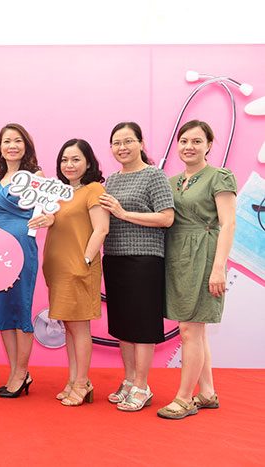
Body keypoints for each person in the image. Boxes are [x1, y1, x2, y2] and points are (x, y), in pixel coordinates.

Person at [158, 120, 237, 420]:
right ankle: (206, 392)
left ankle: (184, 399)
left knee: (191, 329)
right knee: (195, 329)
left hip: (204, 255)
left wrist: (218, 269)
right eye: (184, 141)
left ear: (209, 145)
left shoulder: (219, 177)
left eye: (196, 141)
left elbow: (228, 224)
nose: (189, 146)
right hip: (178, 257)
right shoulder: (172, 182)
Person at [99, 122, 174, 412]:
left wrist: (123, 213)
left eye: (128, 141)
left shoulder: (154, 175)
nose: (122, 147)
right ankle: (129, 380)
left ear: (141, 143)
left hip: (145, 259)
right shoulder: (111, 181)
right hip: (114, 258)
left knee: (142, 325)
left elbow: (166, 218)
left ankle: (142, 385)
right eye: (116, 143)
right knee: (123, 325)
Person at [39, 139, 109, 406]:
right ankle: (73, 380)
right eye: (64, 160)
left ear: (88, 162)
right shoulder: (60, 193)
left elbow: (101, 229)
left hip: (80, 269)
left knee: (79, 328)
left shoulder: (93, 189)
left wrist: (86, 260)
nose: (69, 165)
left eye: (76, 159)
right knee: (69, 327)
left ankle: (82, 382)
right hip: (58, 270)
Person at [0, 123, 49, 398]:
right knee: (3, 310)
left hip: (23, 247)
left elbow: (48, 211)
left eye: (17, 141)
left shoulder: (36, 176)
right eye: (6, 141)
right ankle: (16, 372)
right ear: (0, 148)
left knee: (21, 308)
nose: (12, 146)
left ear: (26, 146)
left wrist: (48, 217)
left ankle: (21, 372)